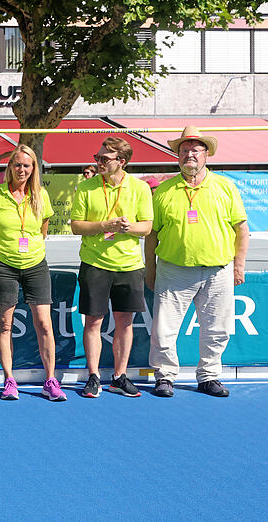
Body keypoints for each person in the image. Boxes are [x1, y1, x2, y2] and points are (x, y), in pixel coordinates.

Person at [145, 126, 249, 398]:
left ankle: (209, 375)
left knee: (218, 328)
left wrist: (239, 266)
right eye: (184, 150)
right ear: (177, 155)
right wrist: (150, 269)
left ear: (206, 155)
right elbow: (152, 234)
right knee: (163, 329)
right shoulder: (163, 191)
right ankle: (165, 376)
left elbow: (241, 229)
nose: (189, 155)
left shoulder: (225, 187)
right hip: (174, 269)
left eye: (195, 150)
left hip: (218, 270)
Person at [0, 144, 66, 401]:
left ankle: (50, 381)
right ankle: (9, 380)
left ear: (33, 169)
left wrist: (31, 250)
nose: (22, 170)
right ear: (10, 167)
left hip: (35, 264)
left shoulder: (41, 195)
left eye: (27, 166)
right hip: (3, 266)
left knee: (44, 324)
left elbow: (43, 229)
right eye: (17, 165)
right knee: (5, 325)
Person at [70, 137, 152, 398]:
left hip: (129, 265)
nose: (99, 162)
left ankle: (119, 376)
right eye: (97, 157)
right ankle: (93, 375)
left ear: (122, 162)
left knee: (124, 323)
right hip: (95, 264)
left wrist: (128, 227)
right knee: (93, 321)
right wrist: (105, 226)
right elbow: (76, 226)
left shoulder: (140, 188)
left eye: (105, 158)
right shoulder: (86, 187)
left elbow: (146, 227)